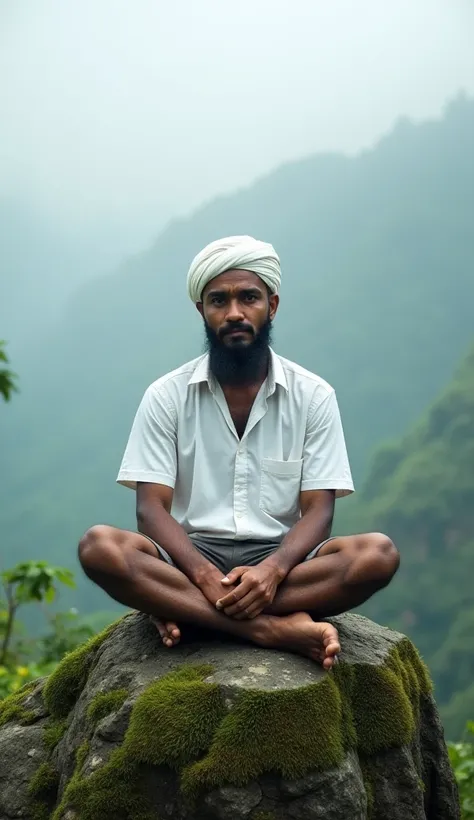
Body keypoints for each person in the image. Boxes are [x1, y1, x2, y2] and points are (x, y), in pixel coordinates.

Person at [78, 235, 399, 669]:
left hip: (283, 562)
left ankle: (186, 611)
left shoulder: (313, 395)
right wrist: (204, 575)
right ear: (202, 311)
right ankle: (267, 629)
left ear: (272, 304)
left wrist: (273, 570)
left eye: (248, 297)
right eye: (218, 301)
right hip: (190, 556)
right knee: (100, 548)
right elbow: (151, 510)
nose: (234, 313)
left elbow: (319, 511)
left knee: (376, 556)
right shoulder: (167, 395)